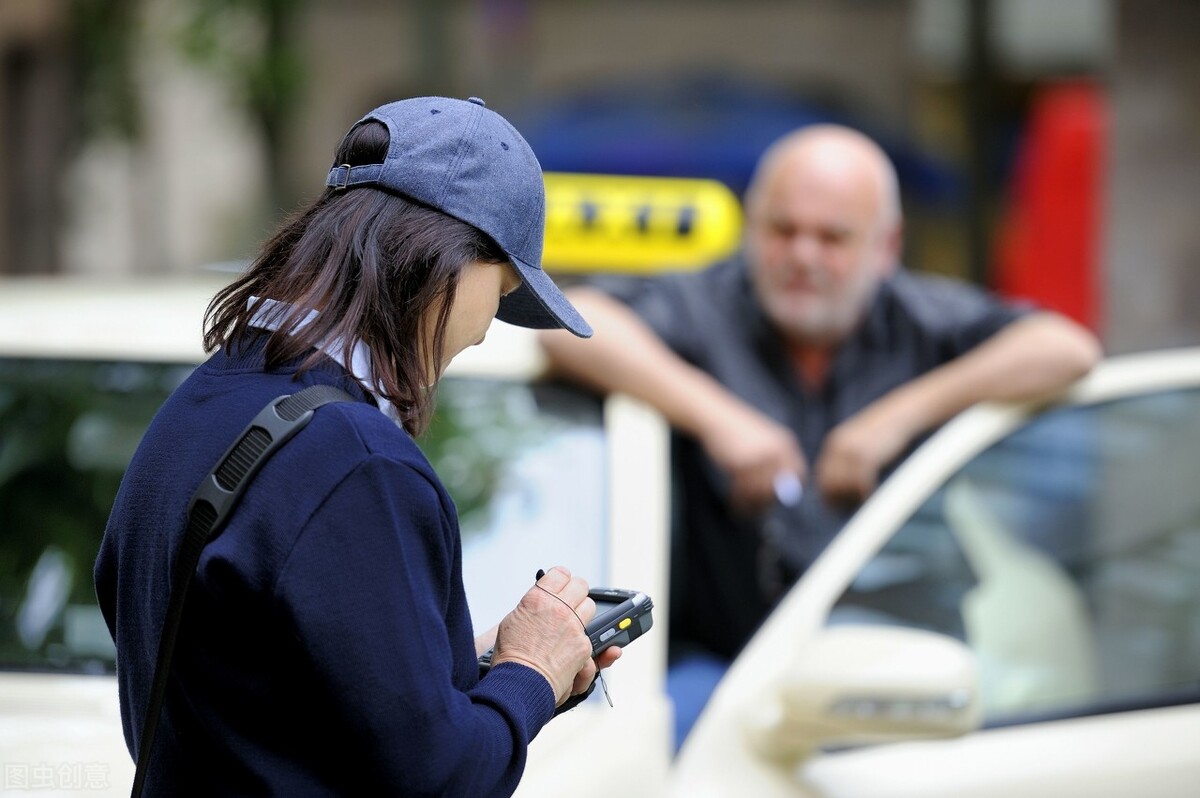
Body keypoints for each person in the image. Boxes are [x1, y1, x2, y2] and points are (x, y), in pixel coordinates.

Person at [94, 96, 622, 796]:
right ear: (453, 263)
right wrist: (529, 675)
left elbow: (279, 700)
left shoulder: (202, 401)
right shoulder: (356, 462)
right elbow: (440, 781)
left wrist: (518, 672)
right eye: (500, 293)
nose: (487, 329)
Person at [536, 123, 1102, 749]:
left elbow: (1067, 348)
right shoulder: (706, 303)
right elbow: (569, 328)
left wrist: (899, 417)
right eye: (783, 230)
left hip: (899, 651)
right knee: (654, 746)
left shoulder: (920, 317)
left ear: (886, 247)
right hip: (727, 659)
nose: (802, 256)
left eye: (832, 238)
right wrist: (716, 416)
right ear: (752, 227)